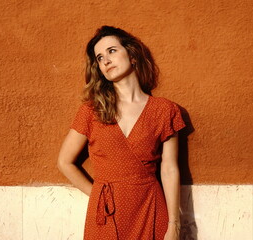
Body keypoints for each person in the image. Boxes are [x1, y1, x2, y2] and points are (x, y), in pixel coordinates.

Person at [57, 26, 185, 240]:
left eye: (112, 51)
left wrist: (174, 224)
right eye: (99, 57)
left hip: (150, 207)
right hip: (106, 214)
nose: (105, 60)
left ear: (132, 55)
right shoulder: (92, 111)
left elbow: (170, 168)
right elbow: (64, 162)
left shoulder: (165, 110)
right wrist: (98, 196)